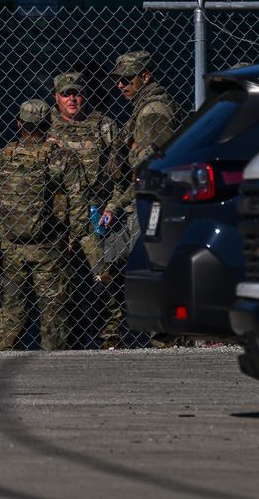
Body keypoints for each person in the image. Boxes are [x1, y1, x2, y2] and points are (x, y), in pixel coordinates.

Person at [0, 99, 85, 351]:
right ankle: (54, 361)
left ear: (18, 124)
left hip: (11, 245)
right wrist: (74, 237)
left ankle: (3, 352)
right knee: (54, 309)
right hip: (50, 245)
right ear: (48, 126)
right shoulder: (61, 158)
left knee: (12, 306)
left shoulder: (0, 157)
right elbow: (77, 200)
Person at [98, 50, 181, 348]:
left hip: (152, 202)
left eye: (126, 80)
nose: (120, 86)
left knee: (140, 262)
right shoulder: (142, 109)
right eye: (117, 81)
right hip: (142, 199)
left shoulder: (153, 112)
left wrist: (117, 203)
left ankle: (167, 333)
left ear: (144, 77)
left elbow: (150, 168)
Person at [46, 71, 122, 348]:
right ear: (56, 96)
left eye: (77, 92)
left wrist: (111, 207)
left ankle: (110, 339)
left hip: (94, 214)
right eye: (66, 93)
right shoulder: (46, 127)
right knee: (63, 283)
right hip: (59, 217)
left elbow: (120, 174)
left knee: (103, 278)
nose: (72, 98)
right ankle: (71, 342)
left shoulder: (102, 126)